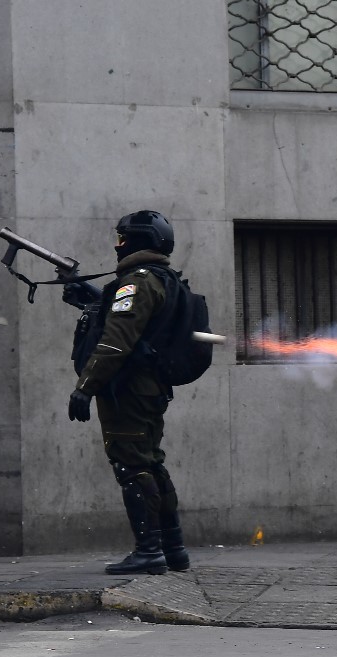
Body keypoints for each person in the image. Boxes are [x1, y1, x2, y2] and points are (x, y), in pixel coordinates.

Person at [65, 210, 190, 575]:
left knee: (131, 466)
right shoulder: (160, 278)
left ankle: (149, 551)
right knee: (151, 461)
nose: (117, 245)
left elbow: (116, 341)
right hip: (148, 388)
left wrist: (85, 388)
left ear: (138, 241)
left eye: (122, 238)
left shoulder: (136, 282)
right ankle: (173, 548)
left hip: (128, 390)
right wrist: (90, 299)